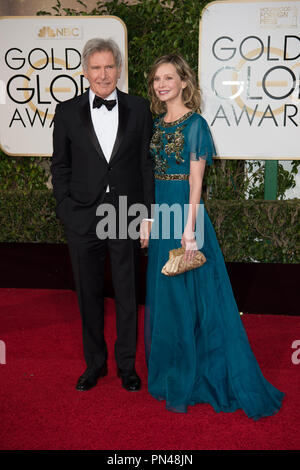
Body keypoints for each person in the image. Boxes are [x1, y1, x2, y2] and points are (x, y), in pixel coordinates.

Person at [144, 53, 284, 419]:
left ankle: (199, 372)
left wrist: (189, 229)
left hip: (186, 219)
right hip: (162, 214)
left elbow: (196, 182)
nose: (161, 85)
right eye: (157, 79)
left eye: (169, 78)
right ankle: (172, 370)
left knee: (195, 299)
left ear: (184, 82)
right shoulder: (158, 124)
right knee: (168, 298)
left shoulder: (196, 125)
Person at [51, 38, 154, 392]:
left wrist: (147, 215)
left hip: (125, 211)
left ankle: (127, 366)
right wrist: (65, 209)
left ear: (119, 69)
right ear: (85, 71)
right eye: (96, 67)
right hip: (81, 215)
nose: (103, 74)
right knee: (88, 294)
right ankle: (94, 364)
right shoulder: (66, 112)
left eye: (109, 66)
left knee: (127, 293)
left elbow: (145, 166)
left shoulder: (140, 109)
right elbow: (60, 166)